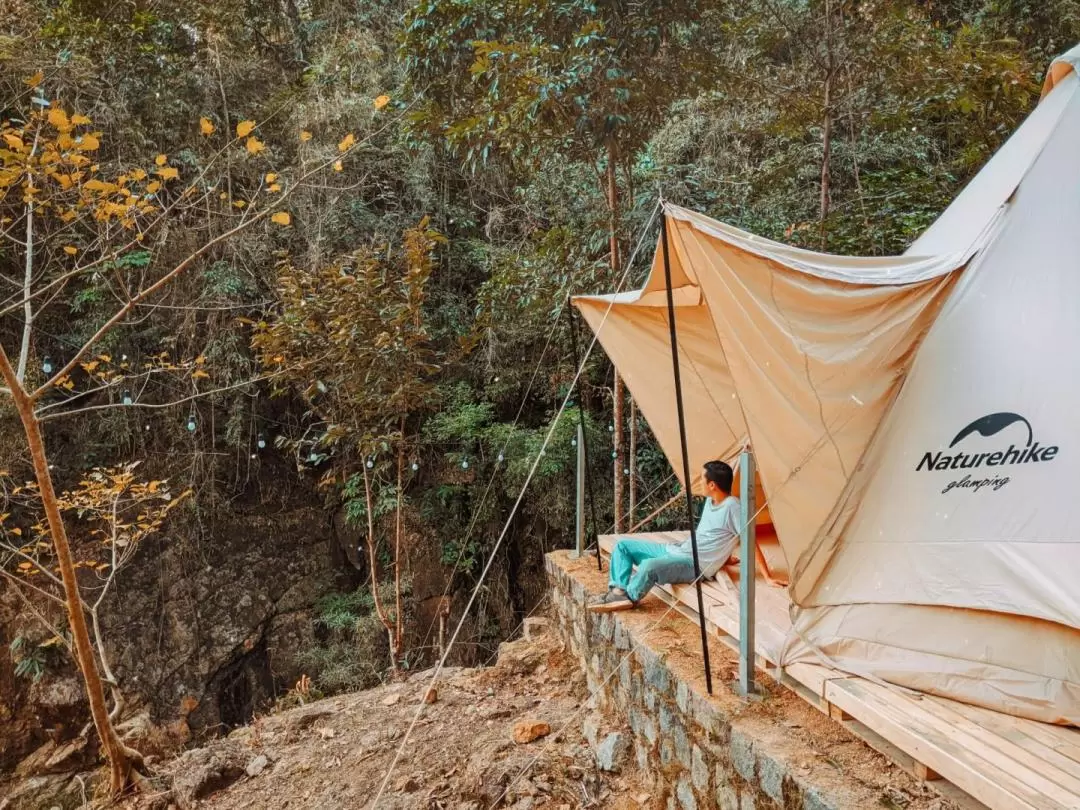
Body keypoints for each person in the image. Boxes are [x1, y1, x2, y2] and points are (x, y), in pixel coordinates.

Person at [589, 459, 784, 613]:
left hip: (693, 564)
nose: (701, 481)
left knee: (649, 567)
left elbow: (750, 541)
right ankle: (617, 591)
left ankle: (630, 597)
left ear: (713, 485)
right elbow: (714, 536)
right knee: (623, 546)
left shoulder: (733, 508)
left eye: (703, 478)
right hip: (678, 549)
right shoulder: (710, 501)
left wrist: (767, 577)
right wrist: (723, 558)